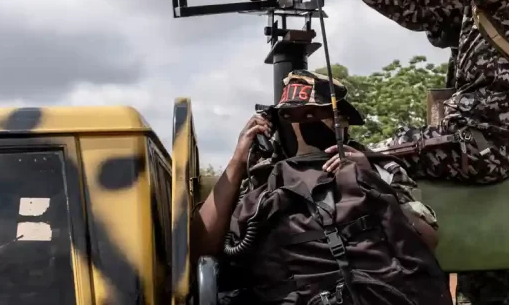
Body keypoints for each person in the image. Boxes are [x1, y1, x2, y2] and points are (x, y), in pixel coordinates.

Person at [276, 0, 509, 304]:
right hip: (494, 138)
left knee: (361, 161)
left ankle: (400, 285)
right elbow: (416, 9)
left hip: (486, 142)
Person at [191, 70, 449, 304]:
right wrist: (239, 159)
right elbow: (203, 248)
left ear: (342, 120)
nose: (301, 125)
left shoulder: (379, 168)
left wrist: (371, 180)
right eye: (289, 116)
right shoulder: (262, 179)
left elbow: (427, 240)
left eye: (314, 114)